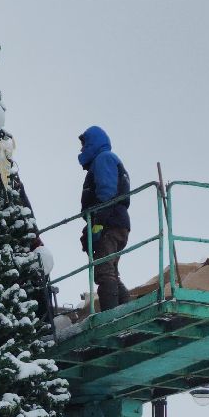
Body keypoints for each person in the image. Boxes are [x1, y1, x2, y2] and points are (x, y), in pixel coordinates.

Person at [76, 126, 131, 312]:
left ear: (93, 144)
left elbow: (106, 193)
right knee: (111, 270)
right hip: (115, 222)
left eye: (84, 145)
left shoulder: (103, 159)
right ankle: (126, 310)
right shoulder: (106, 159)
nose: (82, 151)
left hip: (109, 223)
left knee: (104, 271)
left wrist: (98, 223)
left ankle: (113, 316)